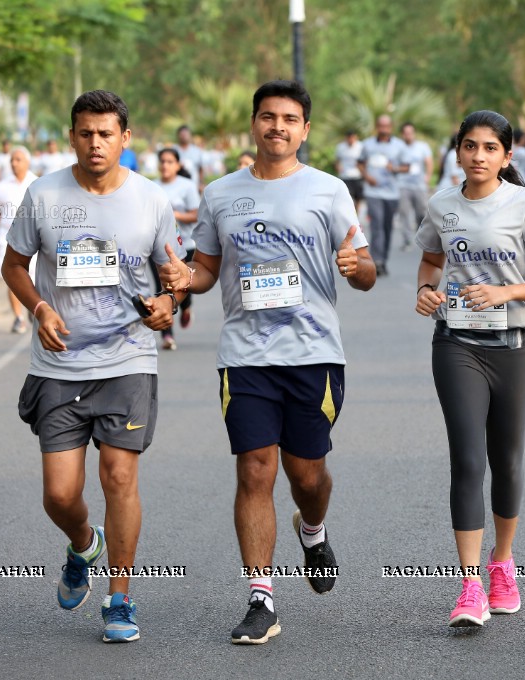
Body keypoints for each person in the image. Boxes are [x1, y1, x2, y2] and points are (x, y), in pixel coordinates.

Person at [158, 79, 376, 645]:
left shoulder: (328, 191)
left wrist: (356, 266)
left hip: (314, 353)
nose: (276, 126)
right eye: (267, 116)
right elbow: (204, 270)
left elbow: (368, 272)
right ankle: (261, 598)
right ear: (253, 125)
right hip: (245, 356)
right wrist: (184, 282)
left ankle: (314, 529)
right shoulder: (220, 193)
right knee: (256, 467)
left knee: (307, 474)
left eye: (288, 118)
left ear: (305, 129)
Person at [1, 89, 185, 644]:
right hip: (59, 363)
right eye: (85, 133)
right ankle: (84, 543)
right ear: (72, 135)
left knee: (119, 477)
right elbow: (13, 264)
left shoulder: (151, 200)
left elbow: (175, 274)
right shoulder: (44, 193)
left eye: (106, 133)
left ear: (125, 139)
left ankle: (119, 597)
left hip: (128, 358)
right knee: (59, 495)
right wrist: (38, 307)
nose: (95, 143)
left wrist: (167, 305)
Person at [414, 110, 525, 628]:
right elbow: (432, 260)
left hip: (516, 346)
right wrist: (425, 290)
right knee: (467, 459)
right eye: (469, 146)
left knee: (506, 459)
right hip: (456, 344)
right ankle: (469, 584)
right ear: (456, 151)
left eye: (489, 148)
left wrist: (505, 291)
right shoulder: (441, 205)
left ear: (506, 157)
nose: (478, 156)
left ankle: (502, 564)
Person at [0, 146, 38, 331]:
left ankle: (34, 309)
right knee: (12, 276)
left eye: (18, 159)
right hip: (6, 238)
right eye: (12, 160)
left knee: (32, 277)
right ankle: (18, 318)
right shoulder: (2, 186)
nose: (14, 163)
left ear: (27, 162)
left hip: (33, 240)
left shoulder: (38, 184)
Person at [153, 147, 201, 348]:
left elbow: (196, 214)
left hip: (186, 245)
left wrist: (174, 215)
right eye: (162, 161)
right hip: (158, 247)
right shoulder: (152, 187)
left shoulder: (187, 186)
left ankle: (186, 306)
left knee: (183, 285)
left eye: (170, 161)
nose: (165, 165)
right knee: (162, 287)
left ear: (178, 165)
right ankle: (167, 335)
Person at [358, 114, 404, 276]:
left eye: (386, 126)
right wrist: (367, 176)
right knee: (377, 226)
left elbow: (407, 167)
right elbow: (360, 163)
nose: (384, 129)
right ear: (377, 127)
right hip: (373, 192)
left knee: (387, 227)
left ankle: (383, 260)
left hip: (392, 193)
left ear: (390, 127)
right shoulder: (367, 145)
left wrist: (395, 169)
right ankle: (376, 261)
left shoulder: (399, 145)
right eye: (381, 126)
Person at [396, 122, 434, 250]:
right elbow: (393, 166)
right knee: (404, 213)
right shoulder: (399, 148)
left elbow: (428, 162)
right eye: (406, 133)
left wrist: (427, 177)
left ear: (414, 133)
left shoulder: (422, 147)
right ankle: (407, 240)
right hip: (403, 185)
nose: (408, 135)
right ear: (403, 134)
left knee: (421, 213)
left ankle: (422, 238)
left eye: (410, 133)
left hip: (419, 186)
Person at [334, 130, 364, 214]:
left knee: (358, 197)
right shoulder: (340, 147)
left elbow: (364, 160)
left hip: (357, 175)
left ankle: (356, 214)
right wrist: (338, 168)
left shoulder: (360, 146)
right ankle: (349, 213)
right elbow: (337, 160)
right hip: (345, 175)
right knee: (347, 197)